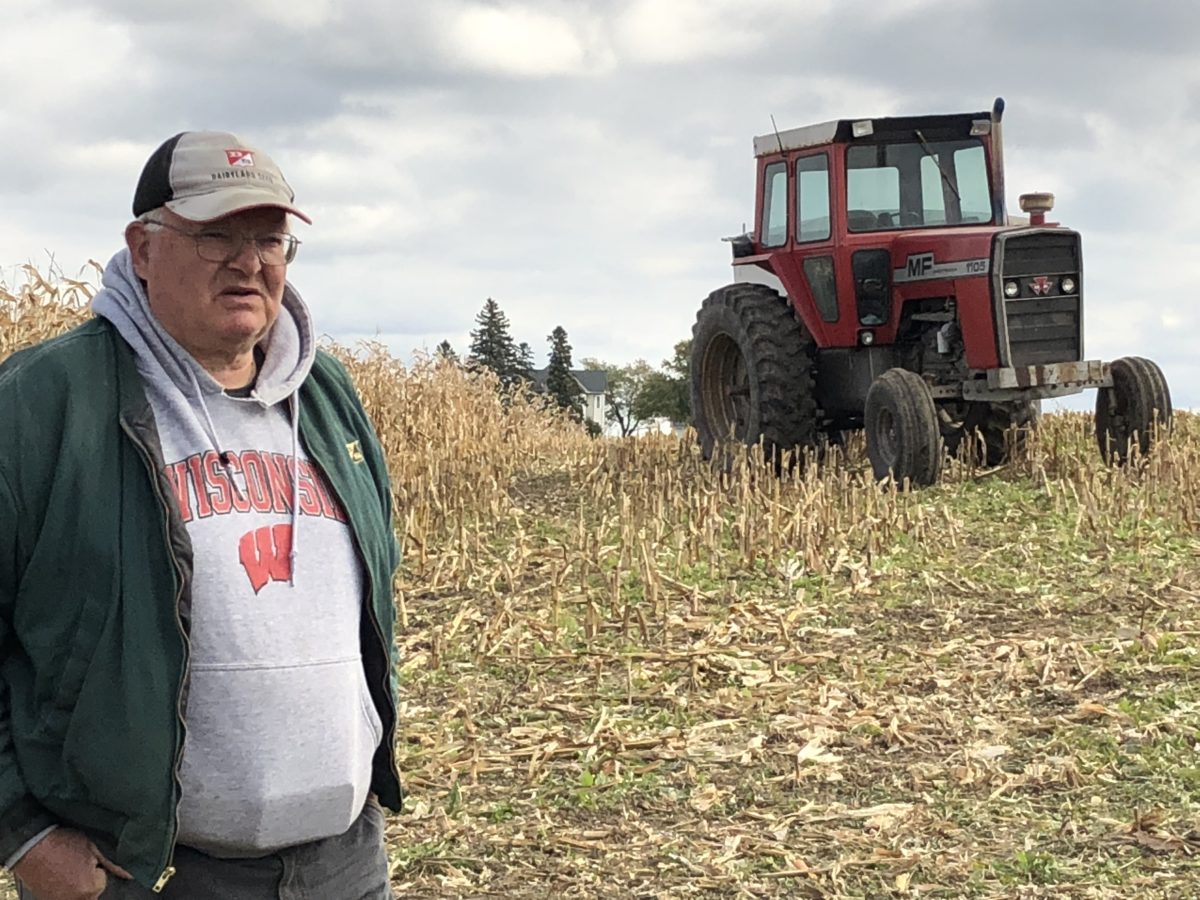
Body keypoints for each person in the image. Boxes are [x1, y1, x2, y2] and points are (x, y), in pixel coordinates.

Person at [0, 132, 402, 899]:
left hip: (342, 865)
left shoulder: (329, 398)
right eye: (216, 234)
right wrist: (24, 833)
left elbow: (372, 602)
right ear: (142, 248)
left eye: (269, 238)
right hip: (148, 873)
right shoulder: (43, 403)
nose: (249, 261)